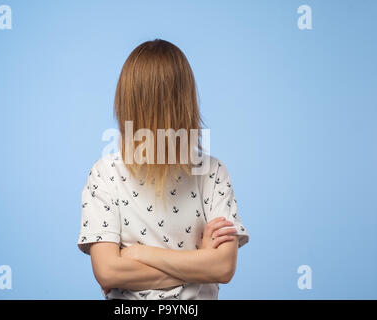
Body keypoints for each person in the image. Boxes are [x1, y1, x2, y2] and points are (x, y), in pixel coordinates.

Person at [77, 39, 249, 300]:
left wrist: (138, 254)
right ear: (187, 100)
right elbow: (108, 272)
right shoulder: (105, 174)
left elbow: (224, 268)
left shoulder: (213, 173)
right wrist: (201, 261)